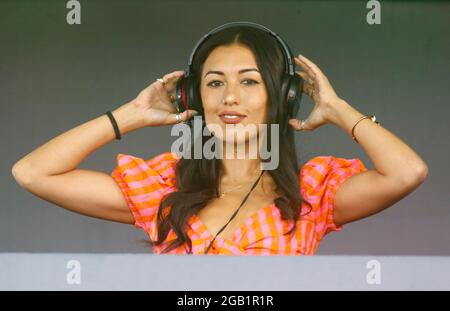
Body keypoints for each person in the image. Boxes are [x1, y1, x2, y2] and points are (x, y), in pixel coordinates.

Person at [12, 24, 428, 255]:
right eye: (214, 83)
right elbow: (33, 172)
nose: (230, 96)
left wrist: (337, 109)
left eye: (249, 81)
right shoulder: (163, 189)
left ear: (283, 98)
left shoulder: (312, 193)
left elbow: (407, 171)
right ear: (194, 97)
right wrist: (130, 116)